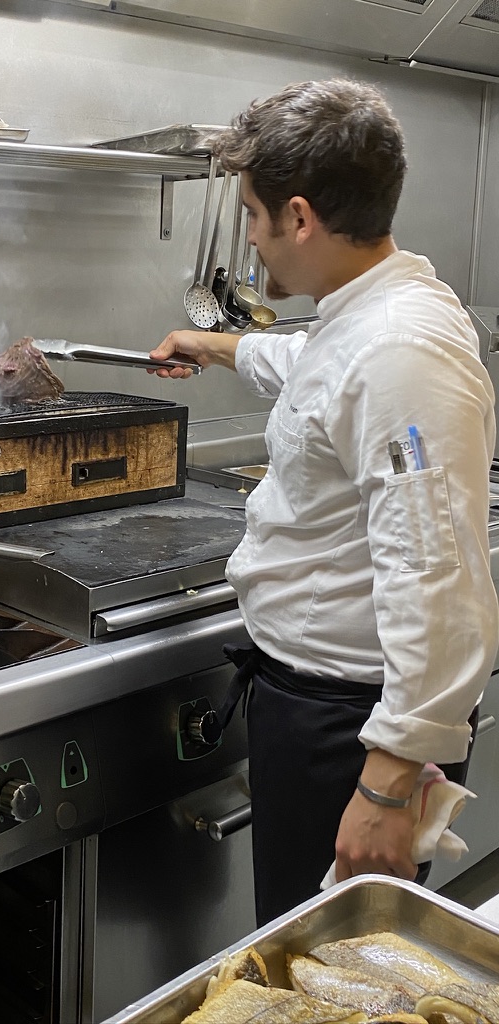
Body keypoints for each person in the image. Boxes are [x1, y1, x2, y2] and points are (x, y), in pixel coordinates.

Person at [149, 77, 499, 926]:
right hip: (321, 710)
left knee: (330, 969)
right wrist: (210, 344)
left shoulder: (401, 349)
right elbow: (313, 366)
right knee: (314, 950)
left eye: (253, 215)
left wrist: (386, 784)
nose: (252, 239)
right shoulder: (370, 314)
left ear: (299, 217)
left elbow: (439, 582)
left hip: (351, 730)